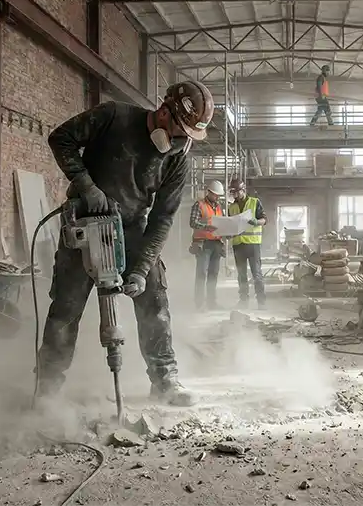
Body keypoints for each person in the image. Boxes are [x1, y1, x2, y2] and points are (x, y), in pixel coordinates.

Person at [38, 80, 214, 407]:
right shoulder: (114, 117)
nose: (179, 143)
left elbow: (163, 217)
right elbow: (60, 138)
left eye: (188, 137)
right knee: (65, 309)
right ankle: (46, 389)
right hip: (84, 222)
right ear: (163, 112)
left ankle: (165, 380)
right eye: (179, 132)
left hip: (131, 228)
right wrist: (87, 186)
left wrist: (142, 268)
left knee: (155, 301)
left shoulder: (176, 160)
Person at [228, 178, 267, 308]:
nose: (235, 195)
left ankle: (261, 302)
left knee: (256, 274)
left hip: (253, 244)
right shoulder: (232, 207)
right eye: (233, 193)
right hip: (238, 245)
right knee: (241, 275)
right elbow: (231, 225)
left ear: (243, 190)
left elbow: (264, 220)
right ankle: (243, 300)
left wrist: (256, 221)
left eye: (237, 192)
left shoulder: (255, 202)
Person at [189, 180, 226, 310]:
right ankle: (199, 304)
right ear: (209, 192)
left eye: (218, 195)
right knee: (201, 274)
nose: (217, 197)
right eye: (215, 194)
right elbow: (193, 223)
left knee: (213, 274)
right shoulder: (199, 205)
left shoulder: (219, 207)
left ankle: (212, 302)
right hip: (203, 244)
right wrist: (206, 227)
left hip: (216, 243)